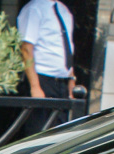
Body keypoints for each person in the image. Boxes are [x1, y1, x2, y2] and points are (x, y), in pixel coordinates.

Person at [19, 0, 74, 136]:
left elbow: (67, 48)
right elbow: (26, 48)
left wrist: (71, 85)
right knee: (39, 133)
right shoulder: (34, 8)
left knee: (60, 134)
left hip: (62, 83)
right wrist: (35, 86)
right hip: (42, 80)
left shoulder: (64, 10)